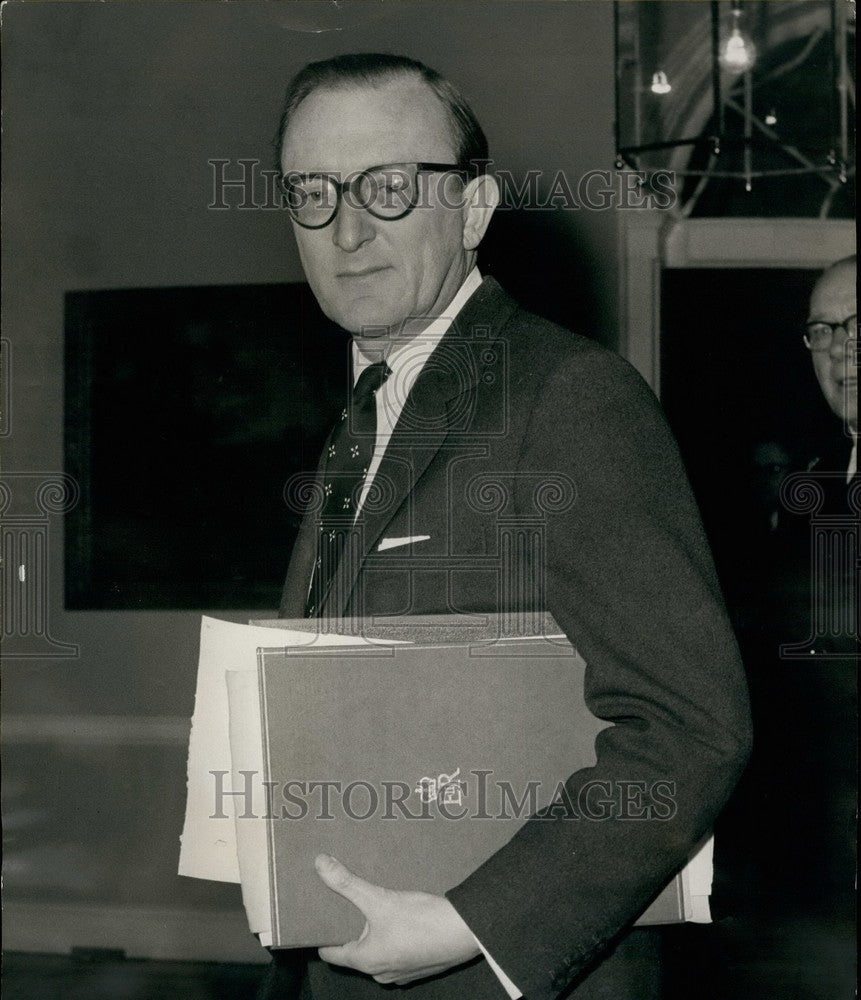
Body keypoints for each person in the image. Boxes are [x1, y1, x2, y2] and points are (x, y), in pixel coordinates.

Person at [265, 53, 751, 1000]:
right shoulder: (362, 418)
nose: (346, 227)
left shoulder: (567, 396)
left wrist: (468, 925)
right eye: (311, 192)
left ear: (475, 208)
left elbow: (692, 729)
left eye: (391, 187)